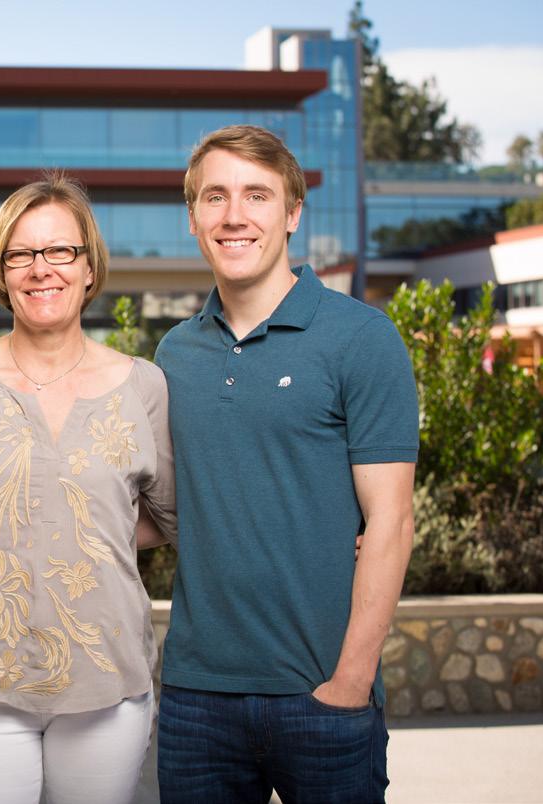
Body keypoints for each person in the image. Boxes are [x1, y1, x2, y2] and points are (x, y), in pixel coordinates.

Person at [0, 173, 177, 804]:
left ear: (88, 267)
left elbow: (175, 518)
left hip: (109, 685)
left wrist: (80, 528)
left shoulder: (144, 387)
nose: (40, 268)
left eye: (59, 251)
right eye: (20, 254)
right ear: (1, 273)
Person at [153, 124, 418, 803]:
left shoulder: (362, 337)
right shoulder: (173, 355)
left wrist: (351, 681)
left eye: (257, 195)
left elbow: (391, 519)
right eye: (215, 196)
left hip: (322, 695)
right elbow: (163, 507)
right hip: (196, 699)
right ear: (193, 218)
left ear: (293, 213)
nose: (234, 215)